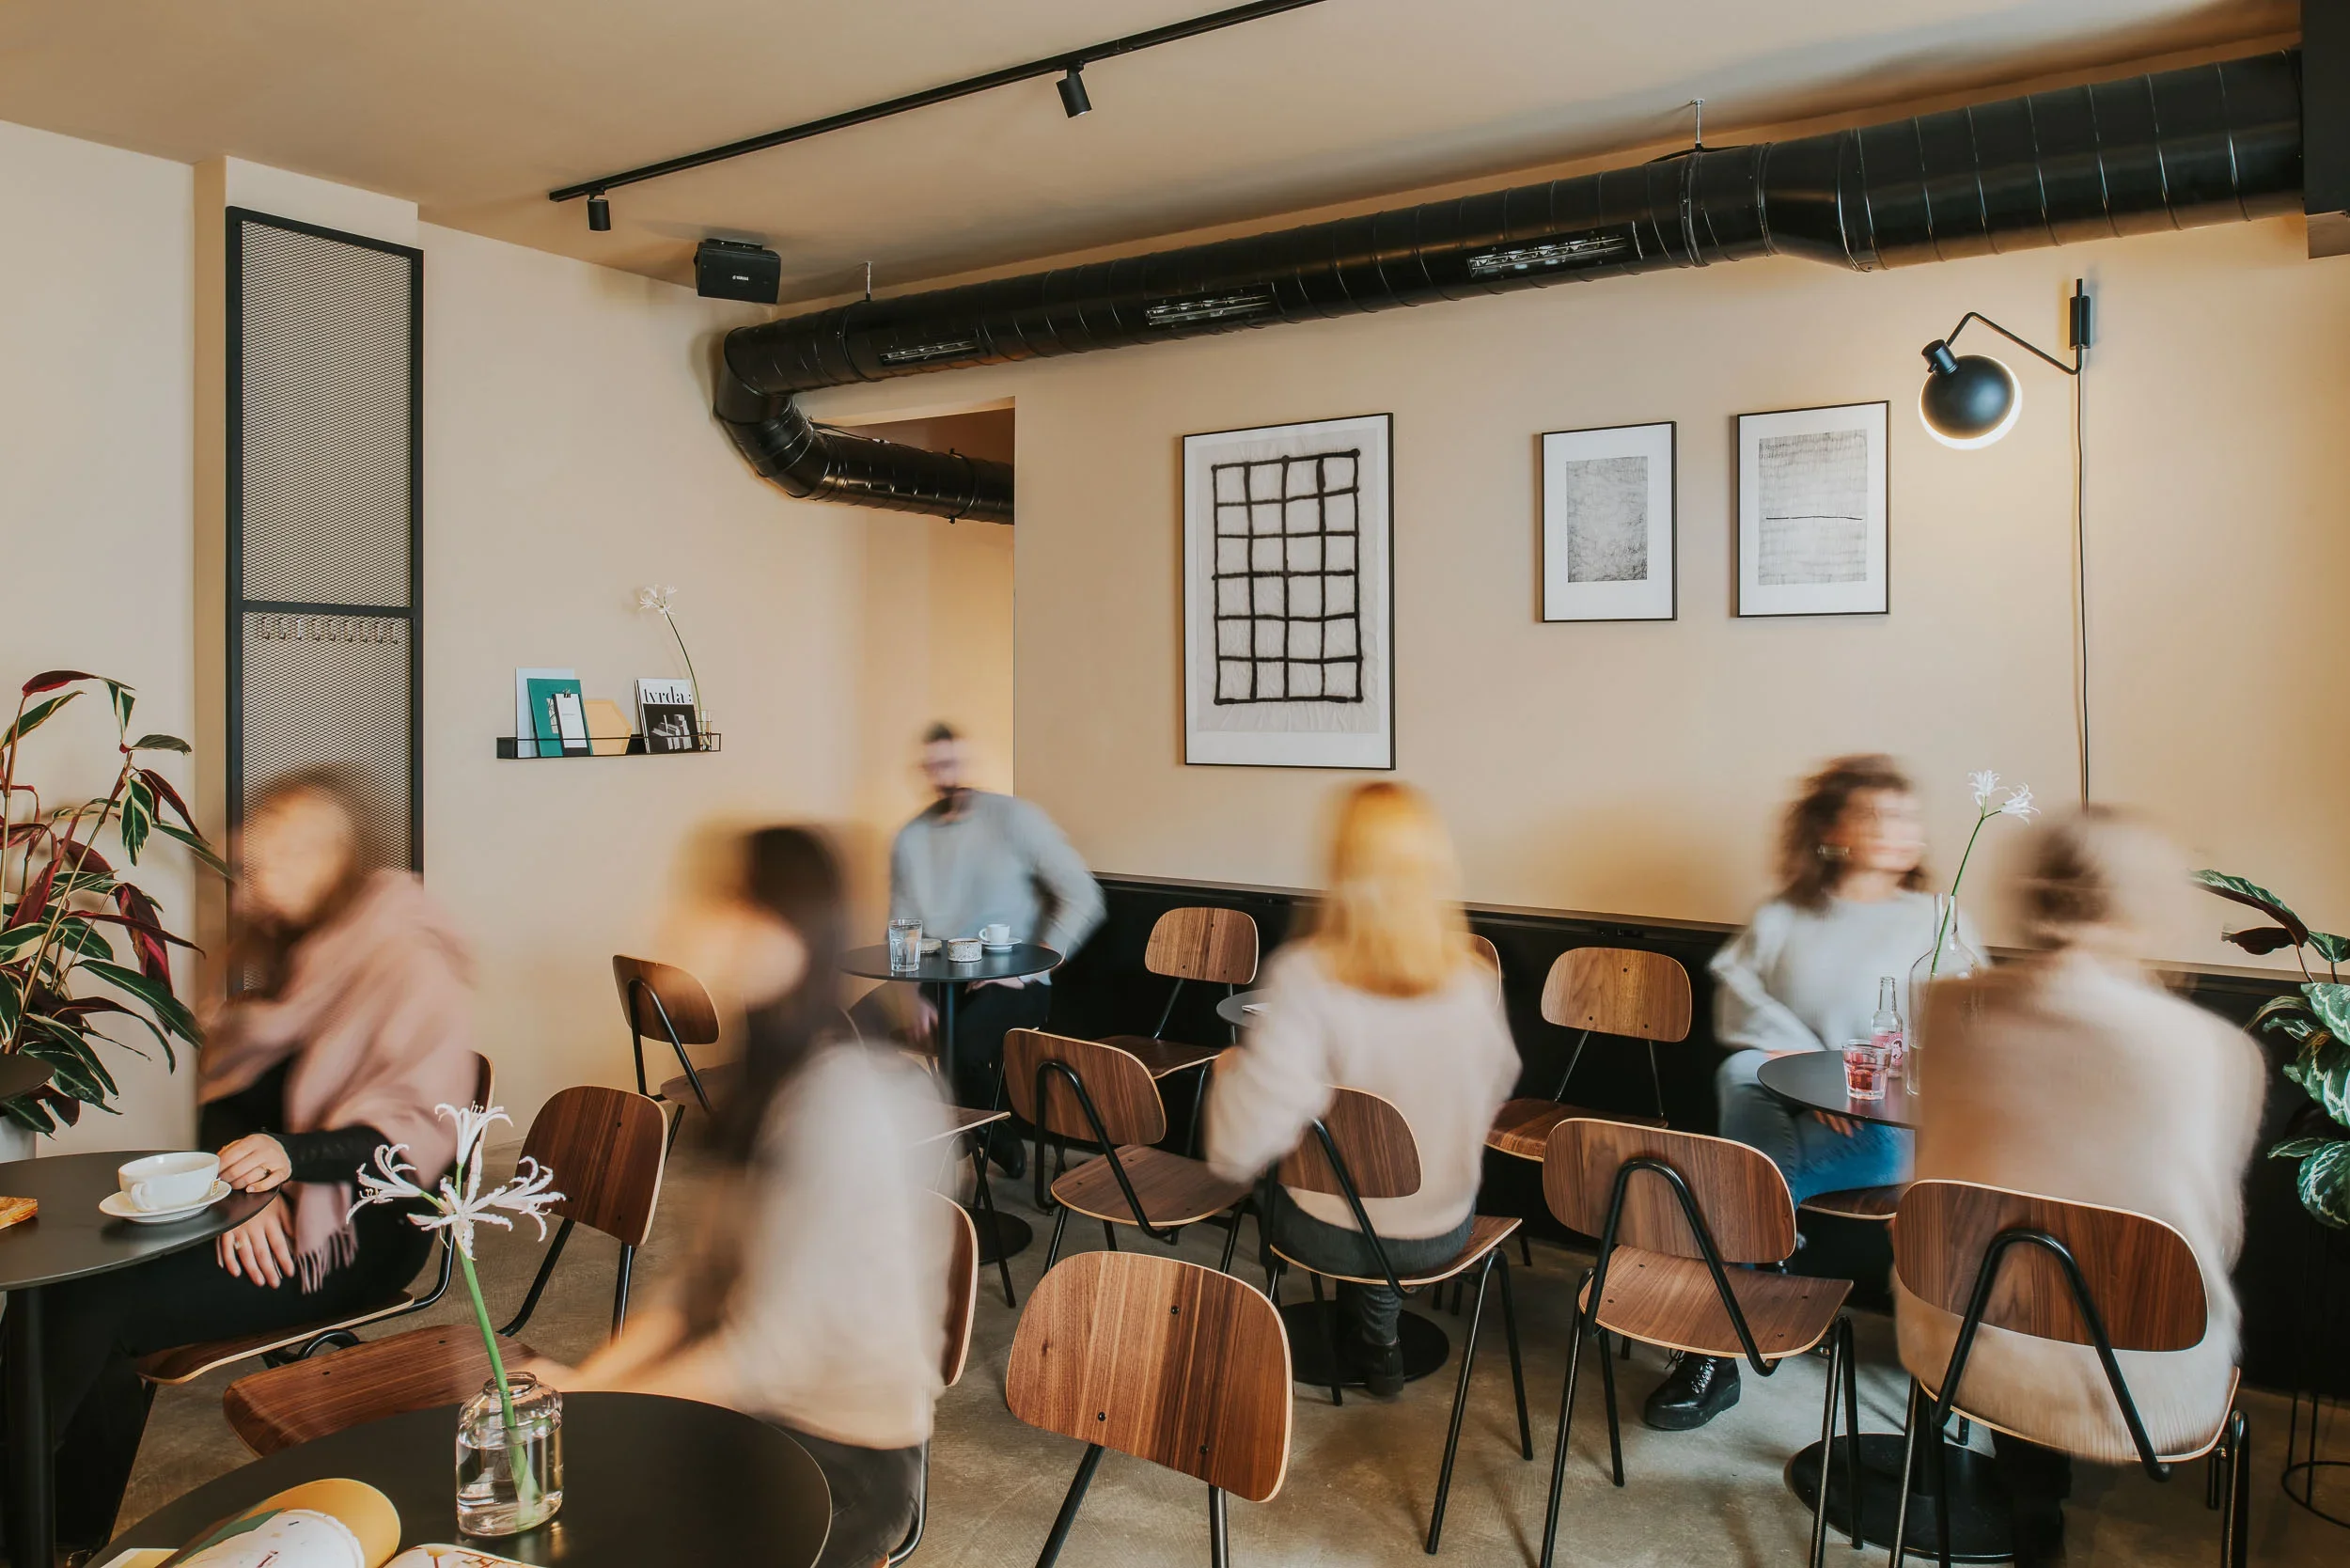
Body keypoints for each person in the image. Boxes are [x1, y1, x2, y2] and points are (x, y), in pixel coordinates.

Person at [10, 771, 478, 1547]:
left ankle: (32, 1530)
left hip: (363, 1228)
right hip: (266, 1199)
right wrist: (235, 1195)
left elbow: (416, 1138)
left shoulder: (404, 959)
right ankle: (58, 1533)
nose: (264, 875)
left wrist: (283, 1164)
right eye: (261, 857)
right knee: (80, 1287)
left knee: (91, 1302)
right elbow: (227, 1103)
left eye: (291, 855)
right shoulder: (288, 952)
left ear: (342, 857)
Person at [526, 827, 951, 1568]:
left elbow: (766, 1352)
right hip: (753, 1416)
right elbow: (696, 1289)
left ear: (798, 932)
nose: (705, 926)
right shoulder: (766, 1077)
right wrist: (585, 1385)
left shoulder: (843, 1099)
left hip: (847, 1455)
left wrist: (601, 1411)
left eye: (738, 906)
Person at [1896, 808, 2261, 1566]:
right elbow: (2215, 1242)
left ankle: (2033, 1507)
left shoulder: (1950, 1010)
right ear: (2148, 905)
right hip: (2142, 1382)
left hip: (1956, 1346)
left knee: (2017, 1278)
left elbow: (1933, 1179)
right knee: (2129, 1287)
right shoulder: (2213, 1052)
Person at [1650, 754, 1976, 1432]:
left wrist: (1866, 1096)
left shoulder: (1938, 917)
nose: (1899, 829)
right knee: (1736, 1072)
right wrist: (1822, 1082)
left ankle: (1712, 1340)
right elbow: (1744, 1013)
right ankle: (1760, 1249)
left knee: (1737, 1177)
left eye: (1907, 817)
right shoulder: (1785, 916)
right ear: (1836, 830)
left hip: (1893, 1132)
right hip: (1793, 1109)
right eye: (1879, 815)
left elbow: (1964, 1036)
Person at [1205, 782, 1518, 1396]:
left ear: (1341, 866)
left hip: (1324, 1235)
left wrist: (1230, 1077)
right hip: (1442, 1230)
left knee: (1313, 1172)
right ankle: (1380, 1336)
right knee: (1371, 1175)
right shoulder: (1473, 981)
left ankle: (1353, 1329)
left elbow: (1239, 1148)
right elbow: (1494, 1091)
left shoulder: (1305, 978)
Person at [886, 722, 1103, 1177]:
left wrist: (1025, 969)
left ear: (968, 763)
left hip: (1015, 978)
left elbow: (1083, 896)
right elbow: (901, 927)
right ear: (925, 771)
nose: (947, 775)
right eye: (935, 766)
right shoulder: (910, 838)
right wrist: (908, 998)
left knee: (961, 1042)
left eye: (953, 763)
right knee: (855, 1030)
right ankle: (968, 1132)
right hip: (937, 976)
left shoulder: (1014, 819)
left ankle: (987, 1137)